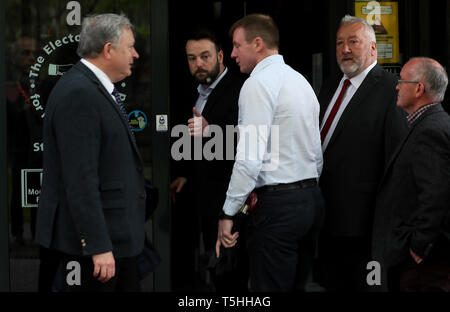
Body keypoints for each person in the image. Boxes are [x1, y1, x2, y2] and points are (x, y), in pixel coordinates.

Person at [35, 13, 145, 292]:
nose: (136, 54)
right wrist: (98, 245)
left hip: (113, 240)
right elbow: (80, 180)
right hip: (92, 252)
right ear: (108, 50)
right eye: (130, 46)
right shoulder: (79, 94)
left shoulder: (91, 87)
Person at [216, 14, 324, 292]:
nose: (232, 54)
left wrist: (228, 213)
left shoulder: (257, 84)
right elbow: (316, 152)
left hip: (279, 208)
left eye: (238, 46)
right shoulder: (301, 81)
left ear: (258, 44)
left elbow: (248, 159)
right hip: (310, 201)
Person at [316, 15, 408, 291]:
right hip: (326, 218)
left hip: (366, 228)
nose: (344, 49)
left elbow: (397, 163)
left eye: (353, 42)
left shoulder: (392, 90)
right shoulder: (331, 84)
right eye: (340, 43)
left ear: (372, 49)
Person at [170, 29, 247, 291]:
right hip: (201, 200)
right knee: (211, 272)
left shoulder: (241, 89)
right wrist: (185, 173)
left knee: (229, 274)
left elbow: (254, 142)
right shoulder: (192, 90)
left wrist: (211, 131)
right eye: (192, 58)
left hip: (231, 202)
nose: (198, 64)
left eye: (205, 56)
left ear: (221, 56)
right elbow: (192, 141)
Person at [372, 57, 450, 292]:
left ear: (419, 88)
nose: (396, 86)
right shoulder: (426, 124)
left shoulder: (431, 130)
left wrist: (419, 248)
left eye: (401, 80)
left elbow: (436, 196)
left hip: (424, 265)